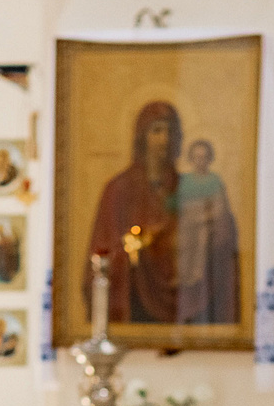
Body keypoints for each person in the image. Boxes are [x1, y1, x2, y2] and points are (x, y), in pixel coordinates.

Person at [85, 100, 240, 326]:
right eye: (156, 131)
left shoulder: (188, 186)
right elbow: (103, 250)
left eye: (170, 131)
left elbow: (222, 240)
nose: (164, 139)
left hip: (189, 300)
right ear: (142, 136)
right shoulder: (119, 189)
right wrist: (142, 245)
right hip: (136, 300)